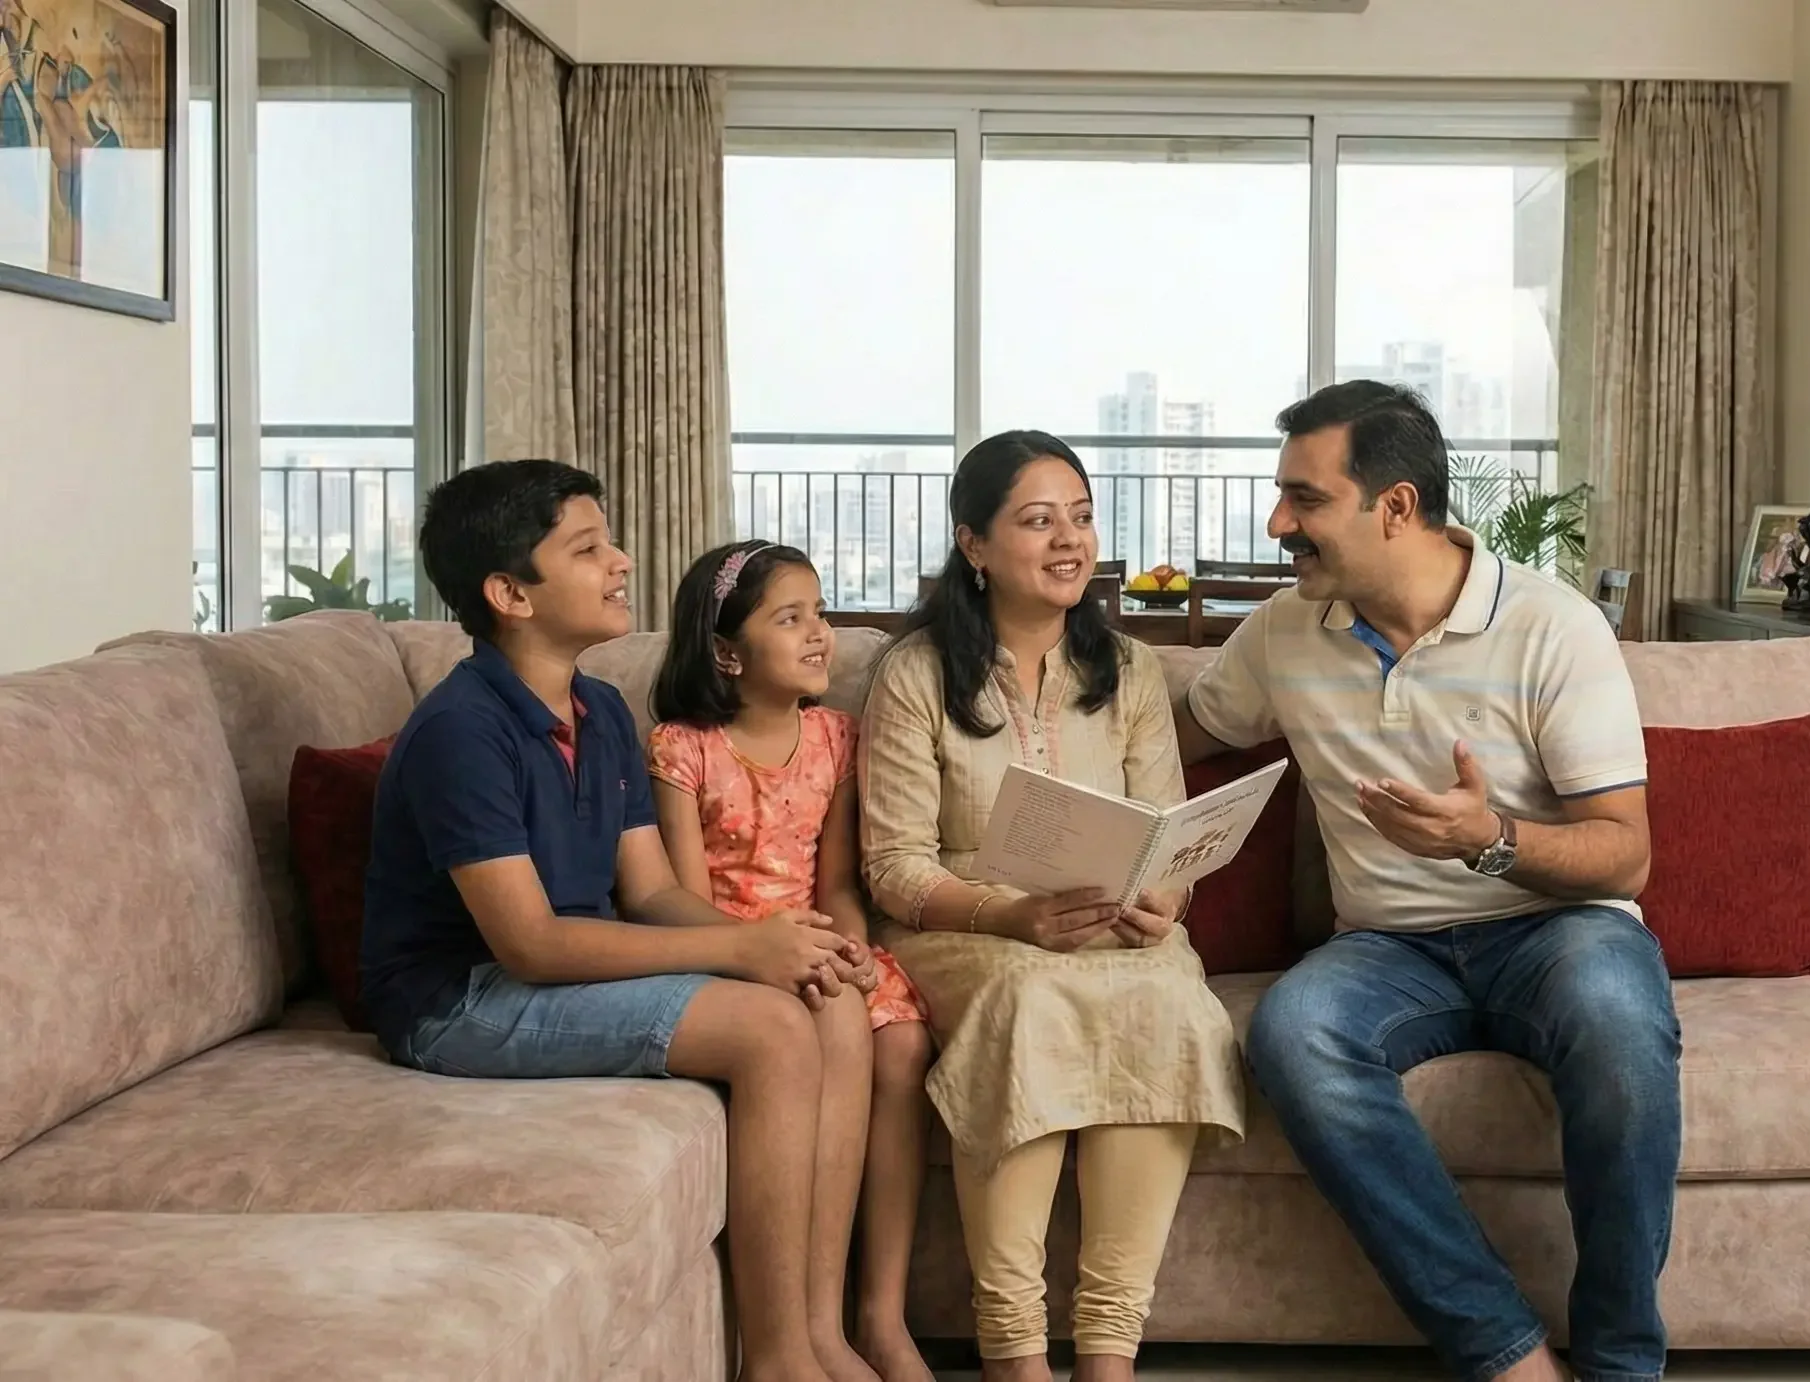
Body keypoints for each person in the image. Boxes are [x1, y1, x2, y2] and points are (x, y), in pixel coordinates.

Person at [1171, 382, 1679, 1382]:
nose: (1278, 524)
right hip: (1388, 947)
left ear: (1394, 506)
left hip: (1556, 924)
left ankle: (1622, 1361)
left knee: (1620, 1028)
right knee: (1290, 1031)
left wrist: (1486, 836)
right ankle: (1507, 1352)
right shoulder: (1284, 631)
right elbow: (1172, 733)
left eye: (1303, 500)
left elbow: (1623, 854)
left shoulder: (1552, 626)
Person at [358, 459, 857, 1382]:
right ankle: (781, 1361)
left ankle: (821, 1333)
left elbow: (652, 892)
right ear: (509, 592)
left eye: (609, 539)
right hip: (457, 999)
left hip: (556, 968)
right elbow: (534, 945)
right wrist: (744, 953)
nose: (622, 561)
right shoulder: (461, 732)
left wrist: (771, 945)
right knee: (772, 1032)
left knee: (819, 995)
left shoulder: (599, 705)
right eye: (587, 549)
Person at [856, 430, 1245, 1382]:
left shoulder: (1131, 671)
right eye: (1038, 520)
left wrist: (1163, 896)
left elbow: (1169, 831)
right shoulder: (914, 675)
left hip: (1114, 931)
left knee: (1174, 1001)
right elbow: (892, 864)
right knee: (1030, 1002)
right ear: (974, 545)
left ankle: (1109, 1356)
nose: (1069, 539)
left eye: (1080, 516)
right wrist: (1009, 917)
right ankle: (1014, 1355)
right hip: (967, 928)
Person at [647, 539, 937, 1382]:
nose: (820, 634)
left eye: (821, 612)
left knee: (904, 1039)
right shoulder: (681, 748)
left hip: (818, 932)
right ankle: (812, 1334)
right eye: (790, 618)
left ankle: (869, 1321)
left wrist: (847, 943)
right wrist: (768, 956)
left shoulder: (837, 738)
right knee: (834, 1012)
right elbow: (681, 900)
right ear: (728, 651)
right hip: (731, 954)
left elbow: (840, 880)